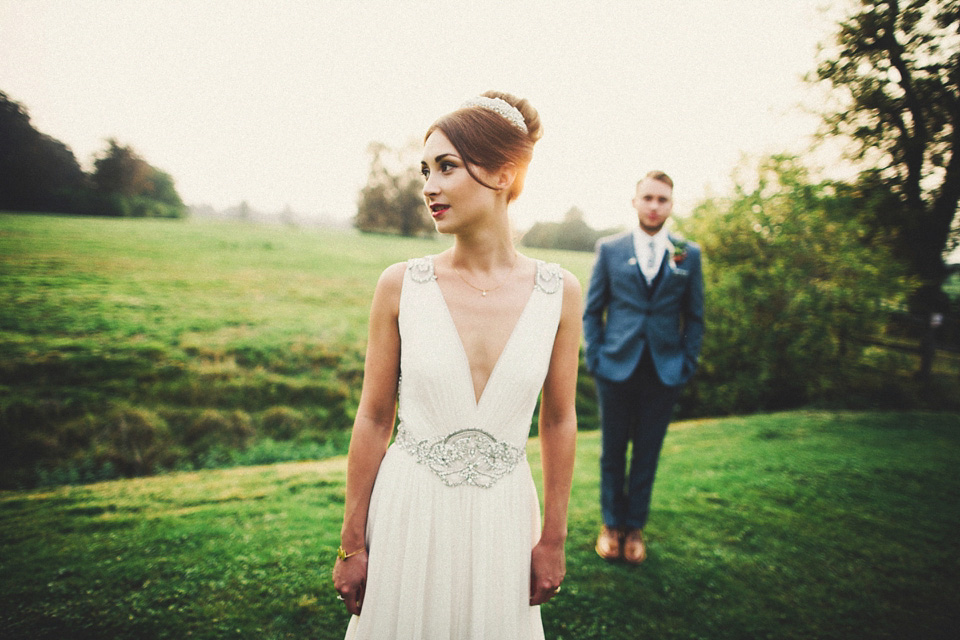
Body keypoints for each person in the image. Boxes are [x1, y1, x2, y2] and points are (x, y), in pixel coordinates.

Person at [332, 91, 582, 639]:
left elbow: (560, 419)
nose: (429, 186)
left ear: (502, 173)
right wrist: (352, 541)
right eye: (425, 170)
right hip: (407, 514)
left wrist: (554, 538)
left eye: (446, 167)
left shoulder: (559, 292)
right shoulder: (400, 285)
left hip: (505, 520)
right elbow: (374, 417)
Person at [582, 170, 704, 564]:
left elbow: (695, 317)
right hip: (615, 367)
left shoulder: (688, 253)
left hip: (664, 370)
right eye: (648, 198)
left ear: (671, 205)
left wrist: (686, 363)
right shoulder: (610, 248)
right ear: (635, 201)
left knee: (647, 453)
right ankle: (611, 526)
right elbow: (592, 310)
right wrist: (596, 357)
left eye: (662, 200)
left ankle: (635, 529)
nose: (654, 206)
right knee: (612, 451)